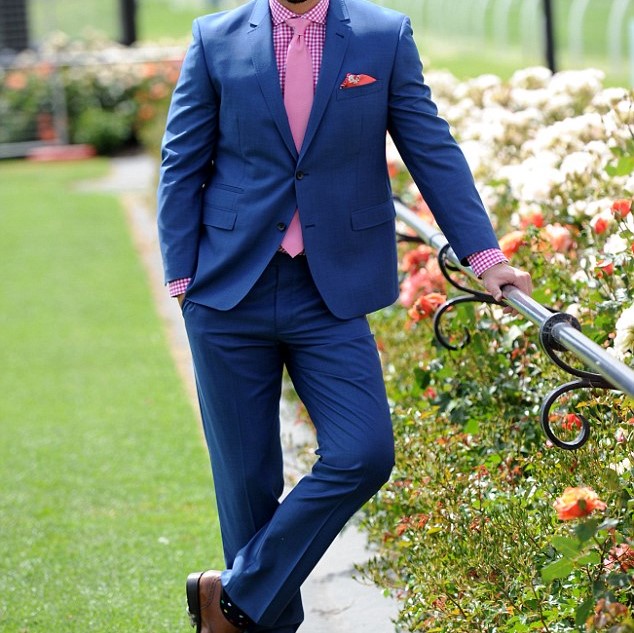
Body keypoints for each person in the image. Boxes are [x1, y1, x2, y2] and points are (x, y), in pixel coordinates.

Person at [157, 0, 533, 631]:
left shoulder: (383, 35)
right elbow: (182, 161)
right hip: (227, 290)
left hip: (330, 290)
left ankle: (231, 595)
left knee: (363, 452)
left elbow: (430, 148)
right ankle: (254, 613)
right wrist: (181, 275)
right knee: (246, 486)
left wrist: (485, 256)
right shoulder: (215, 38)